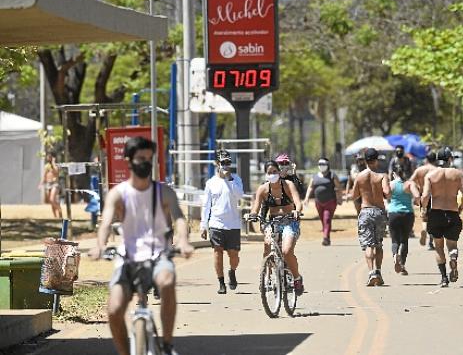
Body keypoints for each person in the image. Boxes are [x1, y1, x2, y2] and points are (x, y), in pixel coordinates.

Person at [91, 136, 194, 355]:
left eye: (149, 158)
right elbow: (106, 222)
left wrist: (183, 242)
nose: (145, 162)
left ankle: (166, 344)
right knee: (114, 309)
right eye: (140, 158)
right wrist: (99, 245)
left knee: (167, 281)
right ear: (128, 160)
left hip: (159, 255)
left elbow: (179, 218)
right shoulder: (118, 194)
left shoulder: (163, 192)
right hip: (127, 258)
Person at [249, 160, 304, 295]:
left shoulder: (288, 185)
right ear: (265, 175)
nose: (272, 174)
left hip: (290, 221)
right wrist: (252, 215)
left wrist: (297, 210)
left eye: (274, 171)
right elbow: (255, 207)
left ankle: (297, 278)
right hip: (273, 222)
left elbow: (298, 201)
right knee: (267, 244)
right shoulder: (263, 189)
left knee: (286, 251)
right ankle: (267, 276)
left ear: (279, 172)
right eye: (269, 172)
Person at [421, 147, 463, 288]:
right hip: (452, 212)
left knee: (439, 247)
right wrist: (460, 207)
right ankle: (453, 256)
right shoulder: (457, 174)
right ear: (450, 159)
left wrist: (424, 210)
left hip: (436, 214)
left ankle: (443, 278)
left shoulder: (430, 175)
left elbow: (425, 196)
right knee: (452, 245)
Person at [200, 149, 244, 294]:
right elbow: (206, 205)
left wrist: (230, 179)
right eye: (223, 163)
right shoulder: (211, 183)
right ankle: (221, 283)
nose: (226, 166)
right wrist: (203, 225)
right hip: (216, 223)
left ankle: (232, 271)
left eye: (228, 163)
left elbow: (239, 195)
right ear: (217, 164)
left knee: (234, 255)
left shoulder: (236, 179)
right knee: (217, 251)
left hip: (233, 224)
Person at [351, 148, 391, 286]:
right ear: (376, 160)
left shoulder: (360, 176)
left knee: (368, 245)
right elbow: (387, 193)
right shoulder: (382, 176)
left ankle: (370, 272)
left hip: (365, 211)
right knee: (378, 244)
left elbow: (354, 196)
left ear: (365, 160)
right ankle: (378, 271)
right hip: (379, 212)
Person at [388, 164, 420, 275]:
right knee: (404, 239)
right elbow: (417, 196)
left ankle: (394, 255)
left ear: (394, 174)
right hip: (407, 214)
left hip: (393, 213)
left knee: (394, 240)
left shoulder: (391, 184)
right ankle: (402, 266)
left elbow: (386, 195)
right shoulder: (410, 184)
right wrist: (416, 202)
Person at [304, 157, 343, 246]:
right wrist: (307, 198)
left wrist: (340, 198)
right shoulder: (315, 176)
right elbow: (310, 187)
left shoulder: (332, 175)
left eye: (323, 164)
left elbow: (339, 187)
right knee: (323, 219)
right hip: (318, 202)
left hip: (330, 201)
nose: (321, 166)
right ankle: (327, 235)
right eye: (320, 164)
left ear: (327, 165)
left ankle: (325, 237)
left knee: (327, 218)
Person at [409, 151, 437, 250]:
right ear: (435, 159)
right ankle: (430, 243)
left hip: (423, 195)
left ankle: (424, 230)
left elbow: (411, 180)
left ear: (426, 159)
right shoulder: (437, 170)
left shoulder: (419, 170)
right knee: (433, 220)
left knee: (425, 218)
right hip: (435, 196)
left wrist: (417, 188)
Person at [39, 152, 63, 218]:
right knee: (51, 201)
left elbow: (56, 172)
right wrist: (41, 183)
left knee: (52, 199)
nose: (48, 158)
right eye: (48, 157)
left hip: (55, 184)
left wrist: (53, 163)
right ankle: (55, 217)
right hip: (48, 184)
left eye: (50, 157)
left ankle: (60, 210)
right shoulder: (47, 166)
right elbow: (44, 175)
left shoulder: (56, 165)